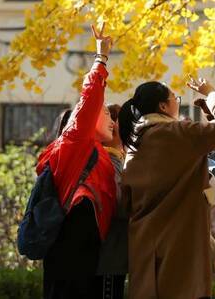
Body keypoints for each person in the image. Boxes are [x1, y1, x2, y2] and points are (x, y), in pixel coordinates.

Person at [119, 80, 215, 298]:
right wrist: (213, 94)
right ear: (163, 106)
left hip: (145, 252)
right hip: (180, 253)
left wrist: (209, 244)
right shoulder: (179, 133)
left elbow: (126, 204)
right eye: (175, 98)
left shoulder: (134, 145)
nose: (178, 102)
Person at [37, 24, 118, 298]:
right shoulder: (75, 142)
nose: (111, 120)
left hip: (84, 253)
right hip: (70, 254)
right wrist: (101, 58)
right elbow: (89, 98)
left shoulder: (96, 151)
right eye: (105, 112)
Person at [95, 103, 128, 299]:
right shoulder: (109, 160)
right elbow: (118, 204)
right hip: (109, 255)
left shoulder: (118, 159)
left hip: (114, 254)